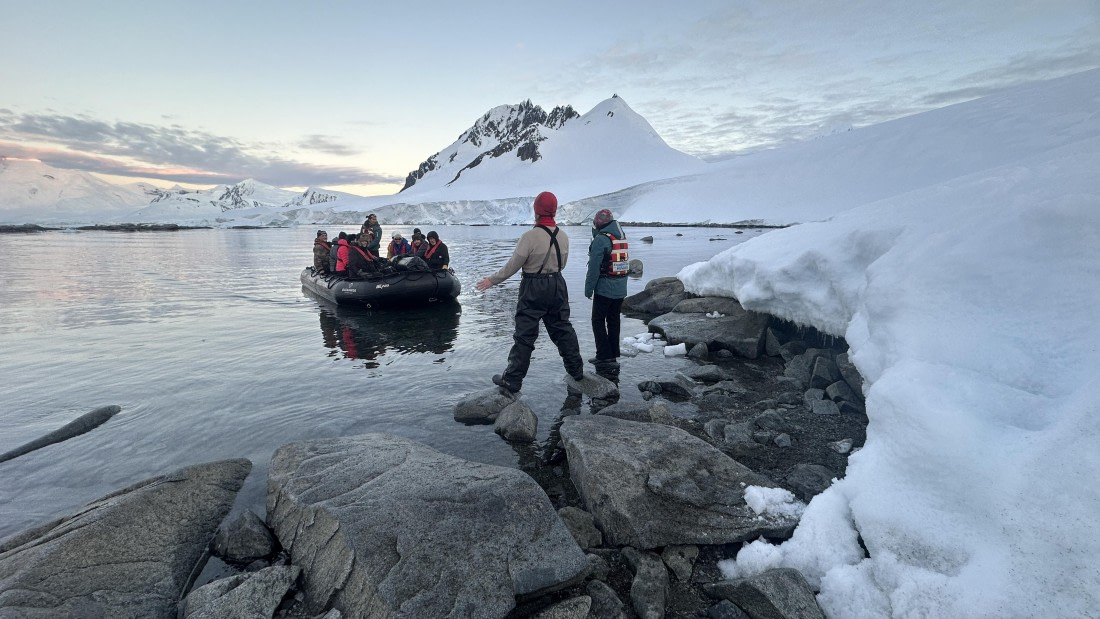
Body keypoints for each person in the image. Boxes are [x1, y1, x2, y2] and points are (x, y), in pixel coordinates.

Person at [476, 191, 584, 393]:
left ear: (536, 210)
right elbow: (564, 264)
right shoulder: (563, 236)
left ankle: (513, 380)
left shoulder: (529, 237)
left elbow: (514, 265)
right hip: (558, 285)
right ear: (553, 210)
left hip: (534, 287)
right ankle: (576, 371)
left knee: (525, 336)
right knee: (563, 329)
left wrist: (492, 280)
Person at [584, 208, 629, 365]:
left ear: (598, 223)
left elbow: (594, 268)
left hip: (605, 288)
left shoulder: (601, 239)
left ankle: (603, 354)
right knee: (613, 319)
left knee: (597, 320)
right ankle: (613, 353)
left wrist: (588, 289)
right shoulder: (620, 237)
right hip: (621, 288)